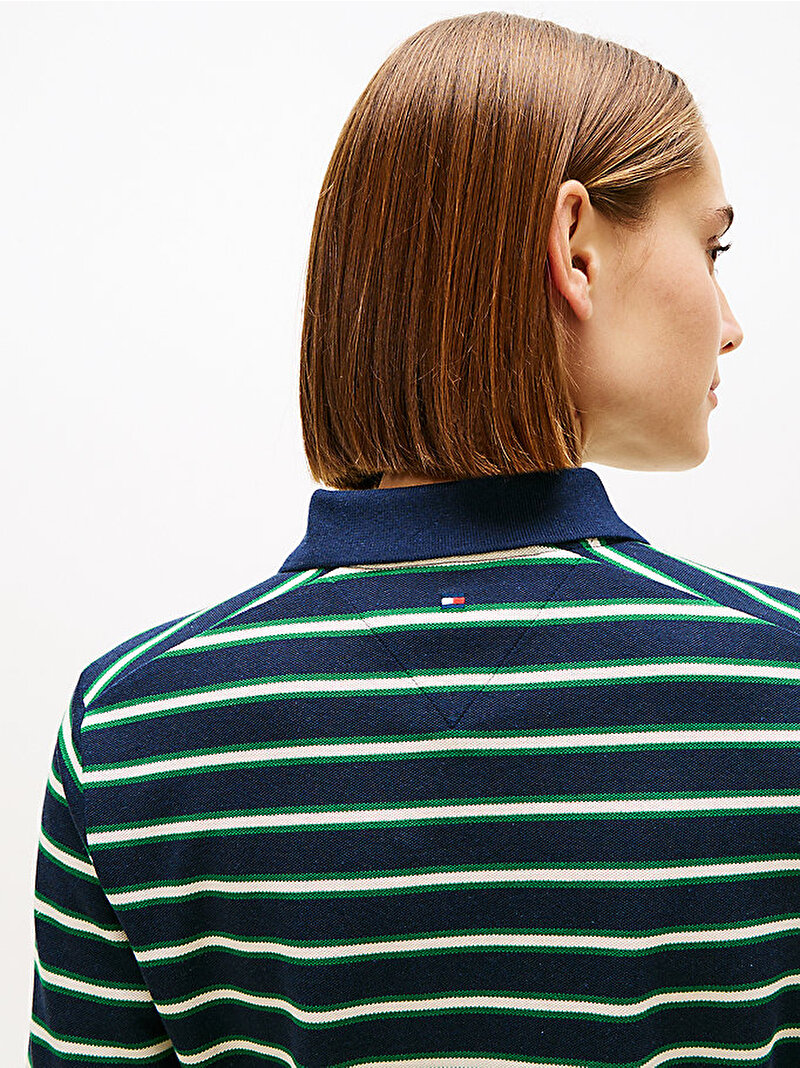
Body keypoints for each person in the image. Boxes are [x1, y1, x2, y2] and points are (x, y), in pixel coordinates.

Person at [31, 10, 800, 1068]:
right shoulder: (781, 685)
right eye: (712, 249)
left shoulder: (131, 724)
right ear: (576, 248)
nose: (730, 322)